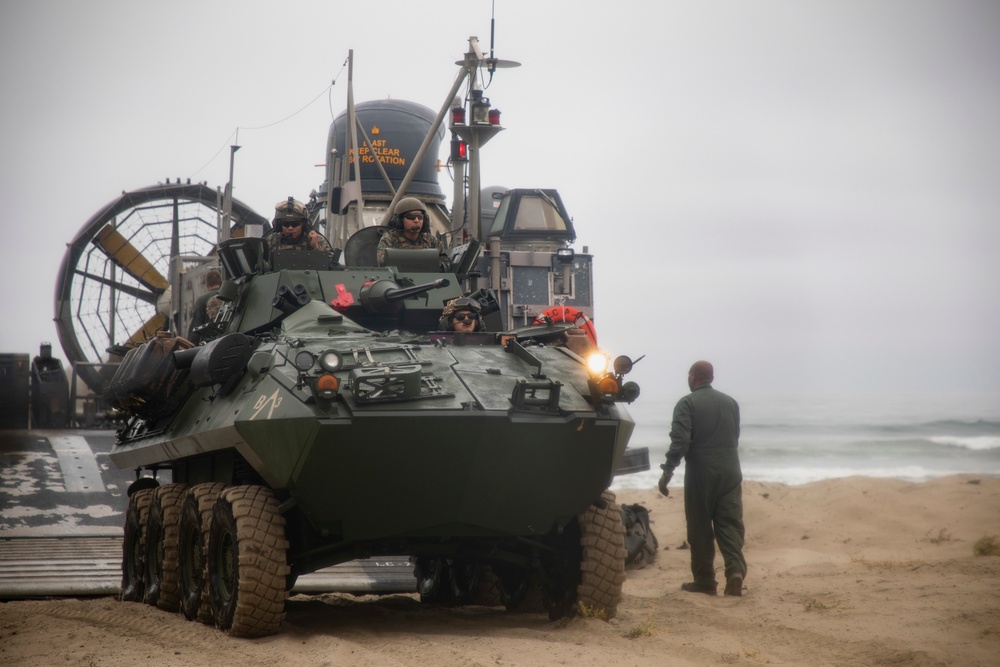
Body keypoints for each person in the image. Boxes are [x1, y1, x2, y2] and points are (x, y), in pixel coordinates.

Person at [658, 360, 747, 597]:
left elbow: (681, 441)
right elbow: (735, 436)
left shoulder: (686, 403)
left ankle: (705, 580)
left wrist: (668, 470)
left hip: (702, 471)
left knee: (699, 526)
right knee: (730, 523)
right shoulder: (731, 403)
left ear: (692, 376)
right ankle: (735, 571)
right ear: (712, 378)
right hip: (730, 468)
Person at [376, 197, 449, 269]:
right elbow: (383, 264)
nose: (417, 220)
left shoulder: (431, 240)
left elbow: (446, 263)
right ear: (399, 221)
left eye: (420, 217)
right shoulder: (389, 239)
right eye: (411, 217)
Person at [267, 197, 333, 253]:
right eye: (286, 224)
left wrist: (316, 247)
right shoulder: (272, 241)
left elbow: (331, 265)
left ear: (304, 225)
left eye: (295, 224)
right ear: (279, 225)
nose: (290, 228)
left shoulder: (316, 240)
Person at [188, 268, 222, 342]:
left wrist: (191, 345)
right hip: (227, 341)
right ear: (221, 282)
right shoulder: (228, 296)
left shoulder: (201, 300)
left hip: (209, 345)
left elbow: (196, 326)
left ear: (207, 284)